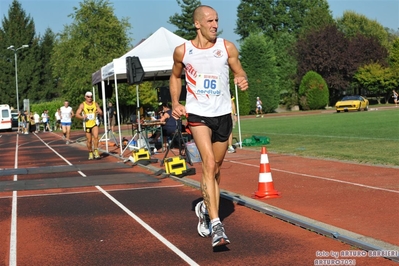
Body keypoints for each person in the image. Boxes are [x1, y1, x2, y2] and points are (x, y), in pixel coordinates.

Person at [169, 5, 248, 247]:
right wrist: (175, 102)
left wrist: (240, 77)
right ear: (197, 24)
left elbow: (239, 70)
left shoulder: (227, 47)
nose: (215, 24)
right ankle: (216, 225)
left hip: (223, 114)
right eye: (210, 20)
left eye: (217, 20)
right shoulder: (183, 51)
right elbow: (175, 76)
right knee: (209, 164)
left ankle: (205, 205)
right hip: (198, 115)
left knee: (216, 169)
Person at [75, 91, 103, 160]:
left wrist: (99, 112)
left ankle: (96, 151)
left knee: (96, 137)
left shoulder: (95, 104)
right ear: (85, 97)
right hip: (87, 124)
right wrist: (82, 117)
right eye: (88, 97)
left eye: (91, 97)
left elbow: (101, 112)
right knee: (89, 140)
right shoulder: (83, 105)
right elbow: (77, 114)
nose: (89, 98)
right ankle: (90, 152)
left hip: (94, 123)